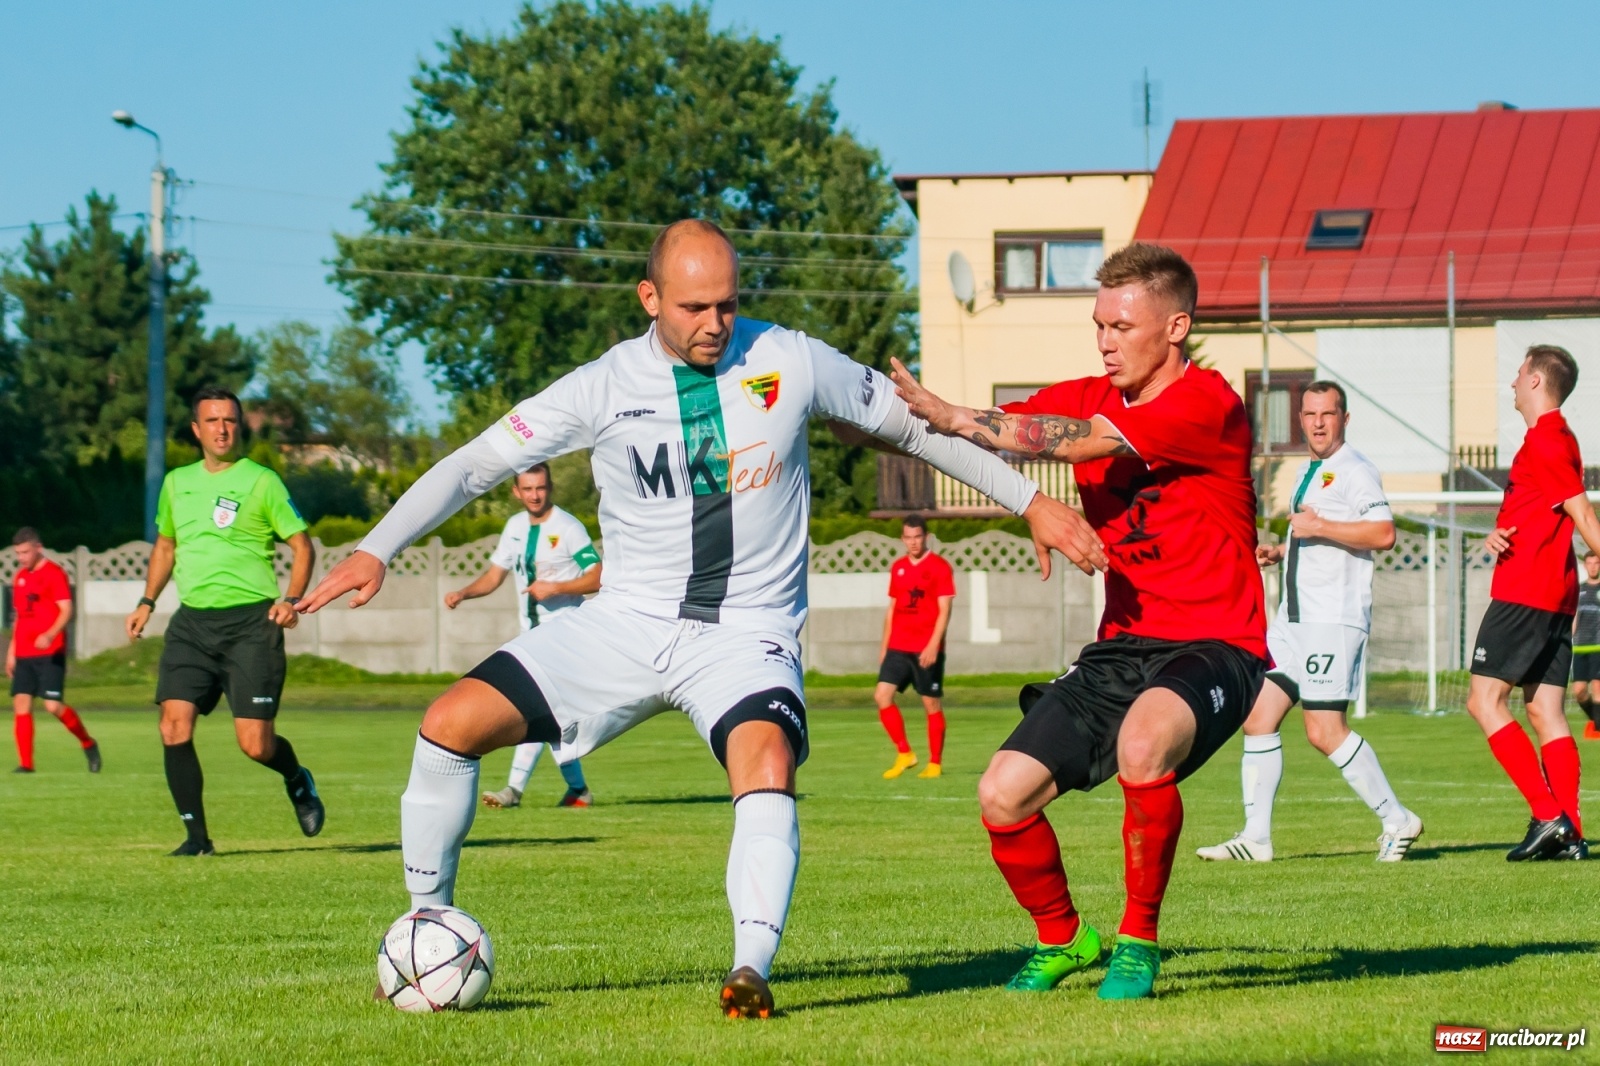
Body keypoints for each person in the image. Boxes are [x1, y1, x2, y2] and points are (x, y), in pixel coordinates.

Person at [297, 219, 1101, 1019]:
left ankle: (751, 968)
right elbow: (477, 463)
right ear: (650, 298)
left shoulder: (791, 358)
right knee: (447, 724)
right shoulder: (601, 386)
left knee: (764, 761)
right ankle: (422, 925)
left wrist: (1029, 501)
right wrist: (376, 546)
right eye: (692, 307)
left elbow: (920, 429)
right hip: (624, 625)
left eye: (727, 302)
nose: (715, 322)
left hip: (744, 635)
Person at [891, 242, 1267, 1001]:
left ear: (1175, 328)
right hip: (1121, 647)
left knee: (1142, 743)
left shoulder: (1210, 403)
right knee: (1002, 792)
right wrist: (1028, 504)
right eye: (1098, 324)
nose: (1104, 340)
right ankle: (1066, 938)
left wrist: (967, 419)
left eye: (1122, 326)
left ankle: (1137, 941)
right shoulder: (1086, 389)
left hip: (1216, 644)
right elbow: (996, 444)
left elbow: (1075, 440)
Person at [1198, 382, 1422, 863]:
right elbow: (1316, 533)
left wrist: (1319, 527)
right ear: (1300, 418)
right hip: (1294, 621)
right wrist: (1282, 551)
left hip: (1331, 621)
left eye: (1328, 414)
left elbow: (1383, 533)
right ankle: (1255, 838)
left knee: (1323, 731)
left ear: (1344, 418)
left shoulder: (1356, 470)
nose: (1318, 422)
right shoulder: (1311, 471)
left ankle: (1397, 818)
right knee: (1258, 719)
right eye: (1310, 414)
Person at [125, 387, 324, 856]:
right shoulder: (176, 482)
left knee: (255, 744)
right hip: (192, 625)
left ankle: (297, 778)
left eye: (230, 420)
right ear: (196, 429)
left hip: (251, 626)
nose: (221, 428)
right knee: (173, 726)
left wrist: (292, 600)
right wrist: (146, 601)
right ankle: (197, 840)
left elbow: (302, 546)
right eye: (212, 421)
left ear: (241, 426)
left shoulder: (262, 481)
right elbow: (166, 547)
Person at [1465, 344, 1600, 862]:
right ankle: (1571, 835)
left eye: (1520, 374)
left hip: (1526, 593)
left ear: (1539, 382)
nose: (1513, 383)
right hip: (1552, 593)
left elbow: (1583, 514)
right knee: (1545, 708)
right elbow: (1546, 511)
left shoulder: (1548, 440)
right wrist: (1502, 532)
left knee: (1483, 701)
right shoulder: (1554, 440)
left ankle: (1549, 816)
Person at [443, 463, 601, 808]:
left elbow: (597, 576)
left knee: (534, 711)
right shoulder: (514, 527)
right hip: (530, 637)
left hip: (563, 637)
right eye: (527, 489)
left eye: (540, 488)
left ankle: (513, 791)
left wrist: (557, 587)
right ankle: (578, 790)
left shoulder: (568, 527)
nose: (534, 495)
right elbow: (493, 576)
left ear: (550, 487)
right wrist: (463, 593)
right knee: (553, 721)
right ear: (516, 492)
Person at [8, 527, 99, 773]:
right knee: (21, 704)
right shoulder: (19, 578)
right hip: (24, 653)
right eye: (18, 553)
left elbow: (66, 610)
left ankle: (88, 743)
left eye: (25, 552)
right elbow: (19, 617)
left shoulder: (54, 573)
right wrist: (11, 652)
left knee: (52, 706)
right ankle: (26, 765)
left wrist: (49, 634)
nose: (21, 558)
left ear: (38, 548)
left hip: (51, 651)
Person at [875, 514, 954, 779]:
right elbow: (892, 609)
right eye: (908, 537)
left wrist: (934, 645)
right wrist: (884, 646)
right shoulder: (897, 567)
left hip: (925, 647)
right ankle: (905, 753)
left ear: (926, 536)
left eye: (917, 537)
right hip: (898, 645)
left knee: (931, 704)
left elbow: (944, 610)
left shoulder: (940, 567)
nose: (913, 542)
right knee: (882, 696)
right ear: (902, 539)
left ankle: (935, 763)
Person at [1569, 551, 1600, 741]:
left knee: (1598, 687)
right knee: (1579, 691)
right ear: (1585, 566)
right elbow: (1573, 618)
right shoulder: (1578, 591)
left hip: (1598, 647)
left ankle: (1597, 731)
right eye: (1589, 563)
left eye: (1596, 563)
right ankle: (1596, 721)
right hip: (1580, 647)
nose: (1593, 566)